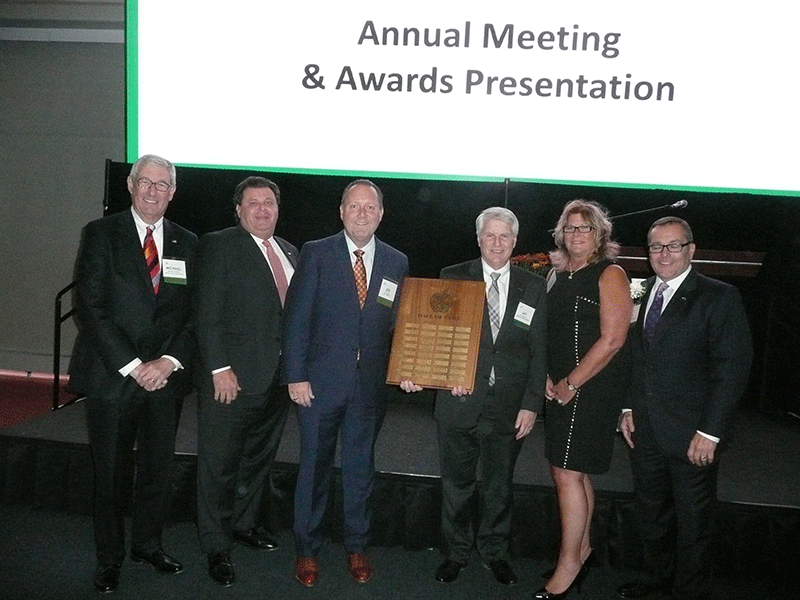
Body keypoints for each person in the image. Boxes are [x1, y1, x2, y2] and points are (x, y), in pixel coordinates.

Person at [69, 154, 197, 593]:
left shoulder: (187, 242)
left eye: (163, 184)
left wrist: (168, 362)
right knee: (111, 473)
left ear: (173, 192)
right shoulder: (101, 234)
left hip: (166, 379)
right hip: (113, 376)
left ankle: (147, 543)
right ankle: (109, 558)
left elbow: (192, 316)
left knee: (157, 471)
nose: (153, 191)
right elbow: (90, 307)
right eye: (146, 182)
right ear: (130, 184)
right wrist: (134, 365)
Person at [401, 207, 548, 586]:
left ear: (514, 242)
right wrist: (425, 372)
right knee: (457, 484)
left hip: (510, 406)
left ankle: (495, 553)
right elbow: (434, 336)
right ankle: (457, 553)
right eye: (490, 235)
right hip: (459, 400)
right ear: (478, 238)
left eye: (504, 237)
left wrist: (532, 403)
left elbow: (539, 350)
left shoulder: (533, 284)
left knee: (500, 486)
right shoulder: (453, 277)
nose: (496, 243)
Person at [617, 217, 752, 600]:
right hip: (644, 431)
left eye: (673, 245)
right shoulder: (638, 292)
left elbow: (732, 369)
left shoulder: (719, 296)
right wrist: (627, 407)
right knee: (652, 514)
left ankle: (689, 591)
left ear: (691, 250)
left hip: (694, 435)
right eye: (656, 246)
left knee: (694, 522)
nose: (664, 254)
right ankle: (655, 579)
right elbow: (634, 357)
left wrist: (711, 432)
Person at [282, 179, 409, 587]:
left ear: (381, 214)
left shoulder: (396, 261)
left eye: (369, 208)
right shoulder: (316, 253)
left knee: (360, 470)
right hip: (317, 386)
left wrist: (408, 365)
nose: (361, 214)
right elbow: (296, 319)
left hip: (369, 388)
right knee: (314, 469)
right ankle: (307, 550)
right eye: (354, 207)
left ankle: (357, 546)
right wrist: (296, 375)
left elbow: (400, 327)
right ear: (341, 211)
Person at [192, 176, 298, 587]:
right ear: (238, 210)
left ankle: (244, 523)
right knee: (219, 466)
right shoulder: (220, 245)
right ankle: (216, 546)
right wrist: (219, 368)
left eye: (269, 202)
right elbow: (207, 311)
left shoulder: (289, 250)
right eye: (253, 203)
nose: (262, 209)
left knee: (257, 459)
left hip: (276, 381)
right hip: (231, 380)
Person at [536, 199, 632, 600]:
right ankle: (584, 550)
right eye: (571, 228)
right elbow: (549, 332)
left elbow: (613, 339)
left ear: (600, 234)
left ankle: (569, 564)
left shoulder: (610, 273)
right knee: (575, 471)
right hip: (561, 385)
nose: (577, 235)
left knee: (566, 473)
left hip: (589, 387)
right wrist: (547, 374)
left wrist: (572, 383)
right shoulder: (558, 273)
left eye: (585, 228)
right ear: (561, 233)